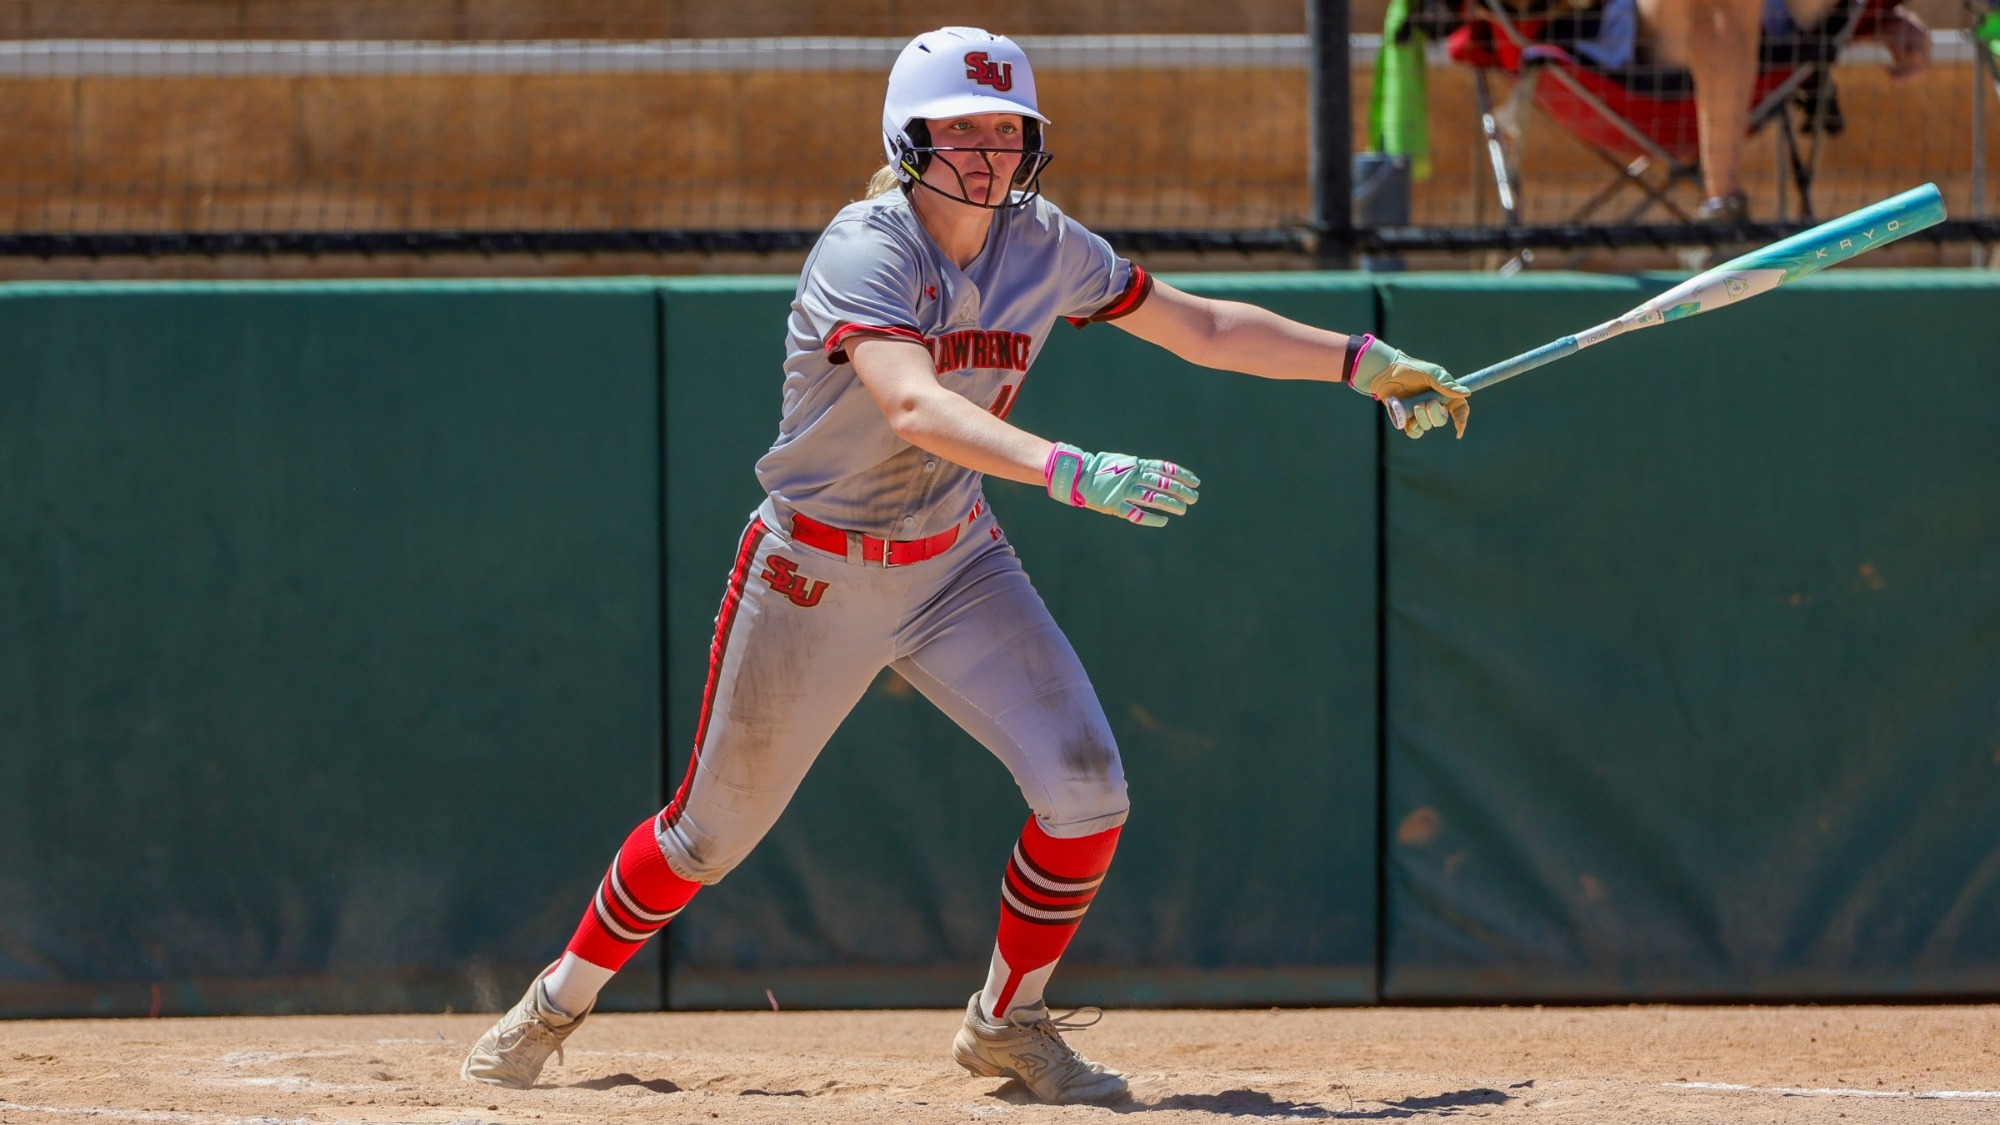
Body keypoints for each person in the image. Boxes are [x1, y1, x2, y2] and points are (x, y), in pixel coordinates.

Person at [459, 26, 1469, 1107]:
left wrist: (1363, 363)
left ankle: (1006, 1023)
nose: (987, 153)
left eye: (1006, 130)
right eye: (960, 131)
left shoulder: (1046, 242)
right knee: (705, 838)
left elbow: (1203, 325)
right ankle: (556, 1002)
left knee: (1086, 792)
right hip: (814, 568)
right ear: (908, 138)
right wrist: (1070, 470)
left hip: (953, 562)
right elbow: (910, 403)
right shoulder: (867, 245)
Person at [1588, 0, 1932, 219]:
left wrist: (1878, 14)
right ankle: (1724, 215)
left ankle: (1724, 217)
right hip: (1646, 53)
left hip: (1775, 44)